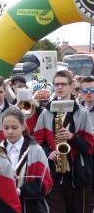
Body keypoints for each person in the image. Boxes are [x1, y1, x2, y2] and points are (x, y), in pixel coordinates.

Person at [34, 70, 93, 213]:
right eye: (56, 84)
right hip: (54, 174)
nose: (59, 87)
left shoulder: (82, 112)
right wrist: (48, 152)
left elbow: (90, 146)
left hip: (77, 175)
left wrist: (73, 137)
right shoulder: (46, 112)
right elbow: (36, 142)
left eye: (63, 84)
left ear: (72, 86)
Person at [1, 107, 53, 212]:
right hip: (3, 206)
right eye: (6, 128)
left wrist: (19, 191)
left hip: (30, 207)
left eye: (14, 127)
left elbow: (45, 183)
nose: (10, 132)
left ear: (24, 126)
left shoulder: (36, 150)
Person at [71, 75, 94, 212]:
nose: (89, 93)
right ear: (81, 92)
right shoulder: (77, 110)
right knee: (86, 200)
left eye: (92, 89)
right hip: (85, 158)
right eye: (85, 90)